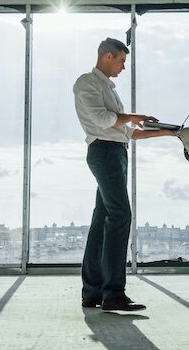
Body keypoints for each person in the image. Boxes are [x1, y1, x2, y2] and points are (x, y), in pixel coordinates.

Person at [73, 37, 176, 311]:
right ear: (107, 57)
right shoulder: (87, 83)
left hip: (115, 152)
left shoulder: (109, 89)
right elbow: (104, 120)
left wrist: (165, 132)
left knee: (101, 222)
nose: (123, 67)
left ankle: (93, 292)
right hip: (104, 153)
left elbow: (125, 132)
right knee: (120, 215)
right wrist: (132, 115)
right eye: (121, 61)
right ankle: (114, 294)